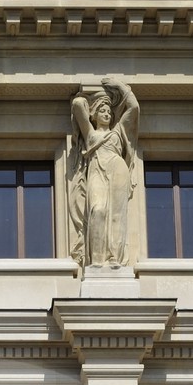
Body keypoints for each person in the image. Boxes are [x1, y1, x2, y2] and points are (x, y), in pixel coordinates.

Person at [69, 77, 139, 268]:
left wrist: (121, 88)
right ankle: (97, 259)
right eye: (102, 110)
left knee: (117, 214)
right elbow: (77, 104)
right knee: (97, 210)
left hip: (118, 169)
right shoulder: (90, 134)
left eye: (109, 111)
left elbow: (133, 108)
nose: (107, 114)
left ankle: (114, 258)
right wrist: (89, 92)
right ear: (94, 114)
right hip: (97, 170)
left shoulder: (117, 132)